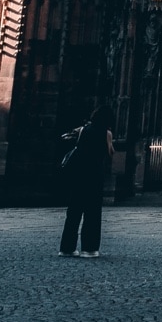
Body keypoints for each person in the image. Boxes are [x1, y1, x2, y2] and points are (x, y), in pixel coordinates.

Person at [58, 101, 115, 259]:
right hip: (94, 176)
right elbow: (111, 152)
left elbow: (65, 137)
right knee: (92, 213)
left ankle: (66, 248)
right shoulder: (106, 133)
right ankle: (89, 249)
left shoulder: (82, 130)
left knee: (74, 212)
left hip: (78, 175)